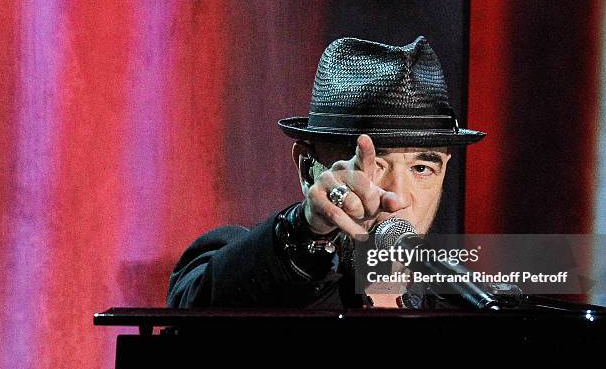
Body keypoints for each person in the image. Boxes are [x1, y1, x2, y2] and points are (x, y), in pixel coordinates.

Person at [166, 36, 485, 309]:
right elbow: (194, 304)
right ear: (308, 168)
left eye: (421, 168)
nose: (398, 197)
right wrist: (304, 229)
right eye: (372, 165)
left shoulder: (469, 299)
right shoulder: (251, 266)